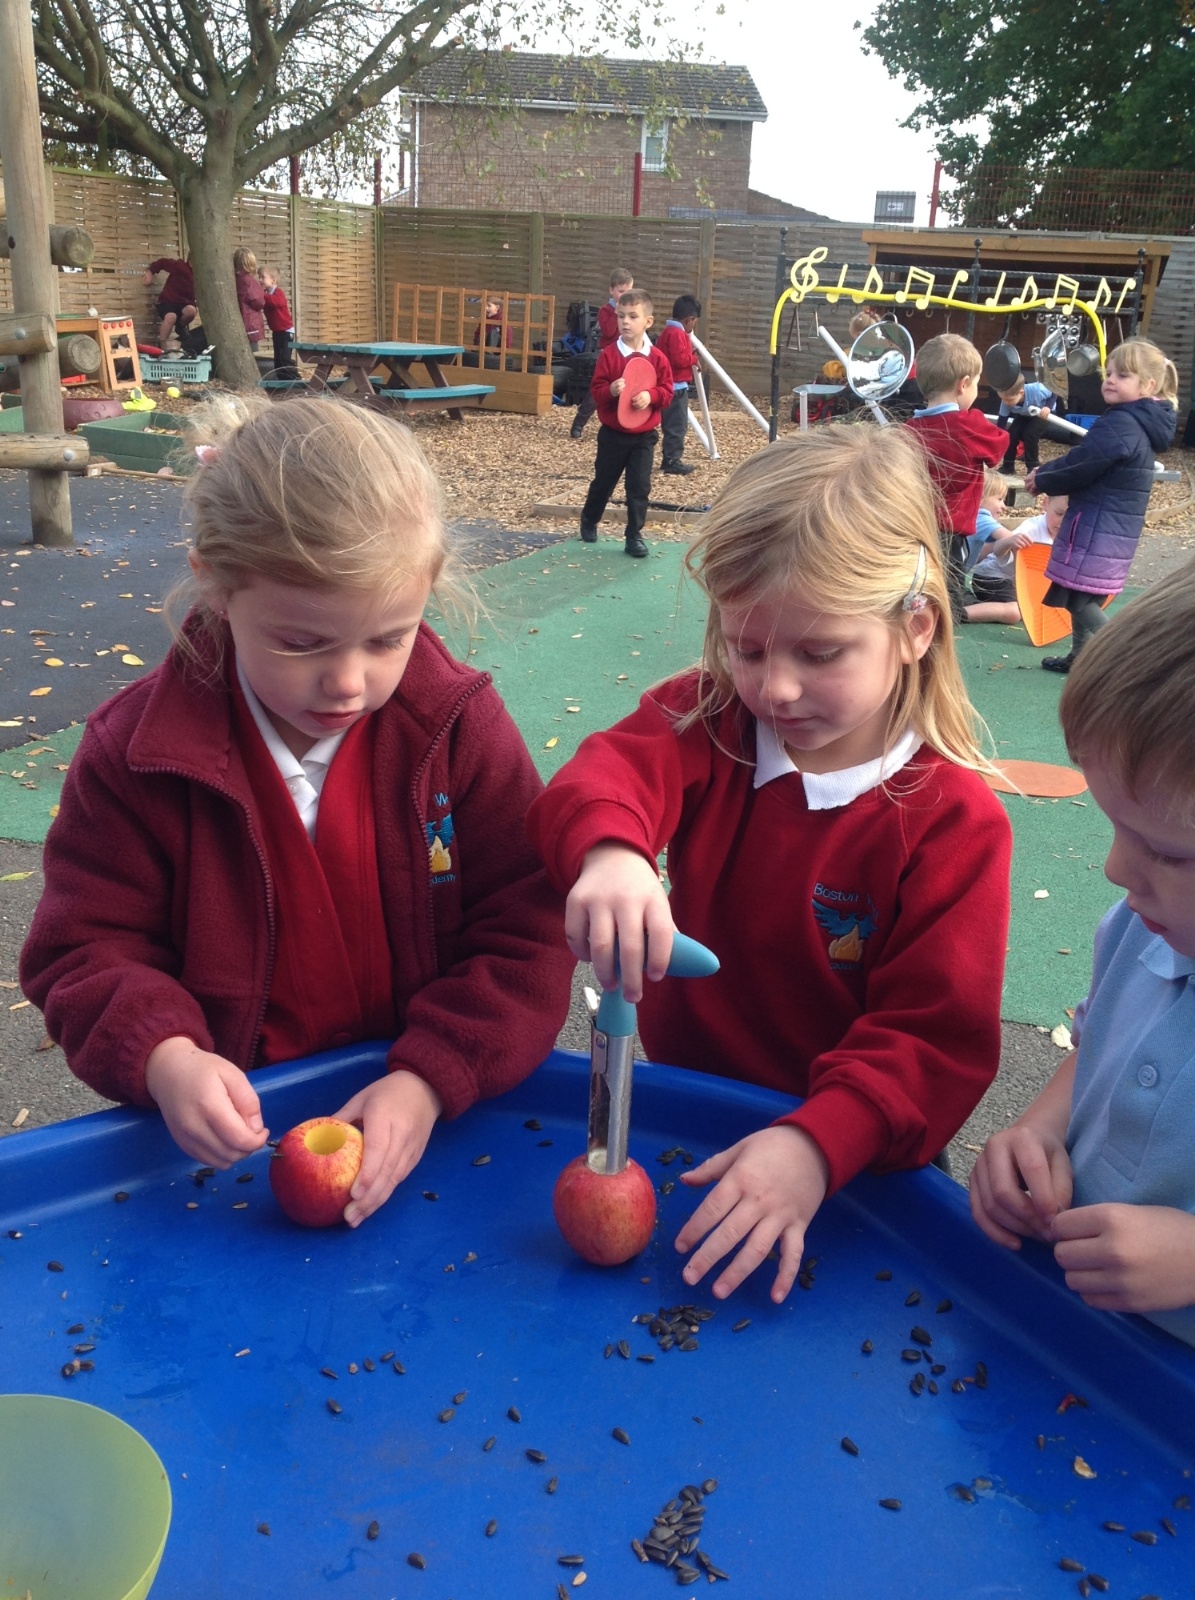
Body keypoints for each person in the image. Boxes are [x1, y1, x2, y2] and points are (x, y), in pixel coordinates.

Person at [20, 396, 573, 1227]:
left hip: (433, 1129)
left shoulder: (454, 727)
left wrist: (429, 1076)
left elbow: (527, 926)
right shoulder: (136, 755)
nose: (347, 682)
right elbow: (85, 950)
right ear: (215, 584)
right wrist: (165, 1057)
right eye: (300, 642)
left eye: (388, 638)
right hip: (223, 1156)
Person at [529, 425, 1012, 1303]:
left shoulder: (952, 823)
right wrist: (612, 852)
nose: (775, 688)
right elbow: (607, 775)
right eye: (746, 648)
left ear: (914, 629)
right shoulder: (711, 720)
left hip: (853, 1155)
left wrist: (817, 1145)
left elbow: (933, 1040)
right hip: (688, 1115)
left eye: (818, 653)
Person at [969, 560, 1195, 1347]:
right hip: (1067, 1338)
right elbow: (1098, 1046)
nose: (1114, 870)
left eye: (1166, 851)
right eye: (1116, 828)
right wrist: (1037, 1130)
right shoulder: (1142, 926)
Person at [1025, 338, 1178, 674]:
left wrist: (1043, 478)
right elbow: (1088, 460)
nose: (1110, 380)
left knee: (1078, 599)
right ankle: (1080, 655)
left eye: (1122, 375)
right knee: (1081, 593)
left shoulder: (1121, 423)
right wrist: (1048, 474)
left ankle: (1129, 658)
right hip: (1111, 527)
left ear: (1148, 385)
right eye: (1108, 373)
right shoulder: (1137, 421)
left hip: (1097, 526)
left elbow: (1084, 462)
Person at [905, 333, 1008, 629]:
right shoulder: (969, 424)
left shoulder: (909, 430)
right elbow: (998, 448)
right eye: (975, 383)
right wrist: (975, 416)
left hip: (914, 527)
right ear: (963, 384)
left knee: (915, 587)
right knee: (947, 598)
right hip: (950, 531)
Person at [578, 290, 673, 558]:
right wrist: (611, 390)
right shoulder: (609, 356)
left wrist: (651, 396)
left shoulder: (658, 358)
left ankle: (634, 536)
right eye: (621, 316)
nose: (625, 322)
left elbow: (667, 392)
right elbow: (596, 391)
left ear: (648, 322)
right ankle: (589, 519)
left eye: (633, 316)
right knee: (604, 482)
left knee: (639, 487)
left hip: (644, 436)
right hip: (613, 434)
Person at [965, 474, 1064, 626]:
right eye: (1059, 514)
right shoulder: (1030, 529)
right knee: (1015, 612)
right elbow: (999, 546)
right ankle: (959, 613)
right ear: (1045, 504)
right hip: (993, 578)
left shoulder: (1068, 534)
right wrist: (1010, 541)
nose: (1063, 521)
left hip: (1015, 582)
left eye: (1071, 516)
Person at [571, 267, 634, 440]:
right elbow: (608, 331)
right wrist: (617, 312)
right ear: (611, 290)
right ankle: (579, 422)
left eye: (628, 291)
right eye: (621, 291)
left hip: (627, 354)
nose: (625, 295)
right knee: (598, 390)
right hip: (609, 355)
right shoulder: (606, 311)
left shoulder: (632, 311)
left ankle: (623, 424)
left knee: (627, 389)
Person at [654, 294, 702, 477]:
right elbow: (679, 359)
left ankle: (669, 458)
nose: (693, 325)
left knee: (671, 425)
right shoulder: (677, 334)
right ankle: (672, 461)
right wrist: (693, 358)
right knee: (677, 425)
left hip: (669, 385)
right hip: (676, 388)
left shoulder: (668, 331)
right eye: (694, 321)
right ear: (689, 319)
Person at [995, 373, 1059, 475]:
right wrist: (999, 435)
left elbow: (1054, 390)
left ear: (1021, 393)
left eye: (1010, 400)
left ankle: (1033, 467)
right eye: (1003, 399)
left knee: (1030, 434)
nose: (1006, 403)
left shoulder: (1036, 390)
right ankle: (1008, 466)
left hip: (1042, 413)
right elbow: (1002, 420)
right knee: (1010, 435)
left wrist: (1048, 406)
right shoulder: (1006, 400)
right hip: (1024, 414)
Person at [143, 256, 197, 350]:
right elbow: (163, 262)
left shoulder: (200, 277)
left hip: (183, 305)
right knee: (171, 317)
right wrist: (150, 272)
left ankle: (180, 327)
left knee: (191, 311)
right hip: (167, 302)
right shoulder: (180, 266)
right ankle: (162, 345)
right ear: (190, 261)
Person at [259, 266, 298, 380]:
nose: (260, 280)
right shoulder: (266, 294)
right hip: (276, 331)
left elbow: (276, 302)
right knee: (278, 359)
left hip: (286, 331)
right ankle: (282, 379)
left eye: (263, 277)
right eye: (259, 277)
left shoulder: (278, 293)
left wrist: (262, 295)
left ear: (273, 280)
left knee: (285, 358)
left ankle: (295, 379)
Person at [234, 247, 266, 352]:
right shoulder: (249, 281)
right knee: (253, 352)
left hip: (241, 322)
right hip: (250, 322)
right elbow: (259, 301)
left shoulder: (236, 280)